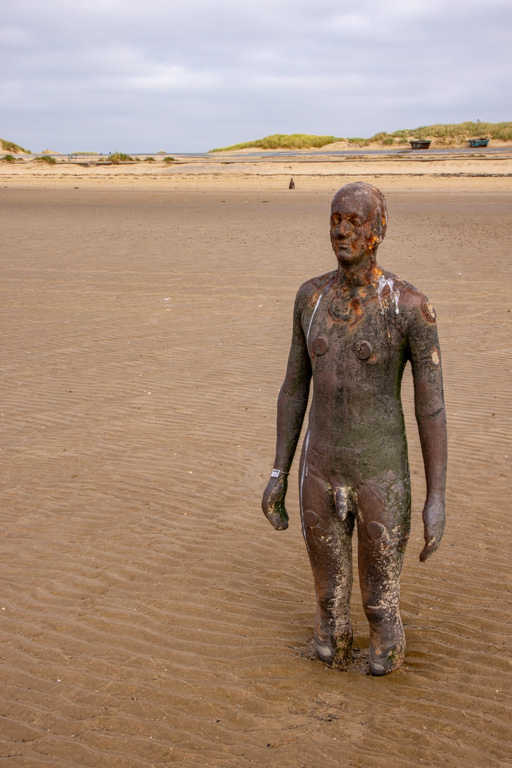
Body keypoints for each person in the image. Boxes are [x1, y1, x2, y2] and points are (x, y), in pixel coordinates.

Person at [261, 182, 447, 676]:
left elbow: (431, 408)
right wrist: (279, 472)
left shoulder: (408, 307)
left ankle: (383, 689)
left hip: (380, 472)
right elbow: (293, 389)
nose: (341, 230)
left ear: (378, 230)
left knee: (381, 611)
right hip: (319, 468)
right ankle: (330, 672)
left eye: (354, 221)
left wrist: (436, 497)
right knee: (327, 612)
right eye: (334, 219)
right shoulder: (310, 299)